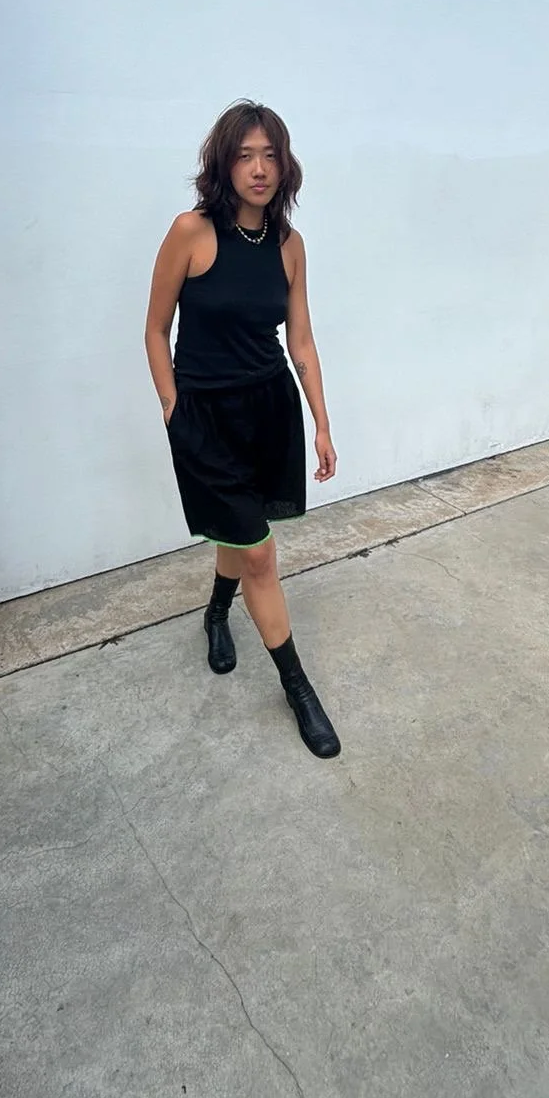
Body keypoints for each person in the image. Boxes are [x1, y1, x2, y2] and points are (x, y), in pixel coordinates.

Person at [144, 103, 341, 759]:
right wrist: (172, 405)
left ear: (285, 165)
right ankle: (298, 689)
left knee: (243, 535)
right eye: (244, 155)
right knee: (258, 551)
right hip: (205, 417)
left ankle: (216, 613)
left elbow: (302, 342)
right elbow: (154, 327)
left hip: (269, 411)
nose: (258, 169)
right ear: (223, 164)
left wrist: (321, 424)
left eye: (270, 155)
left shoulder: (289, 246)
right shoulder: (191, 232)